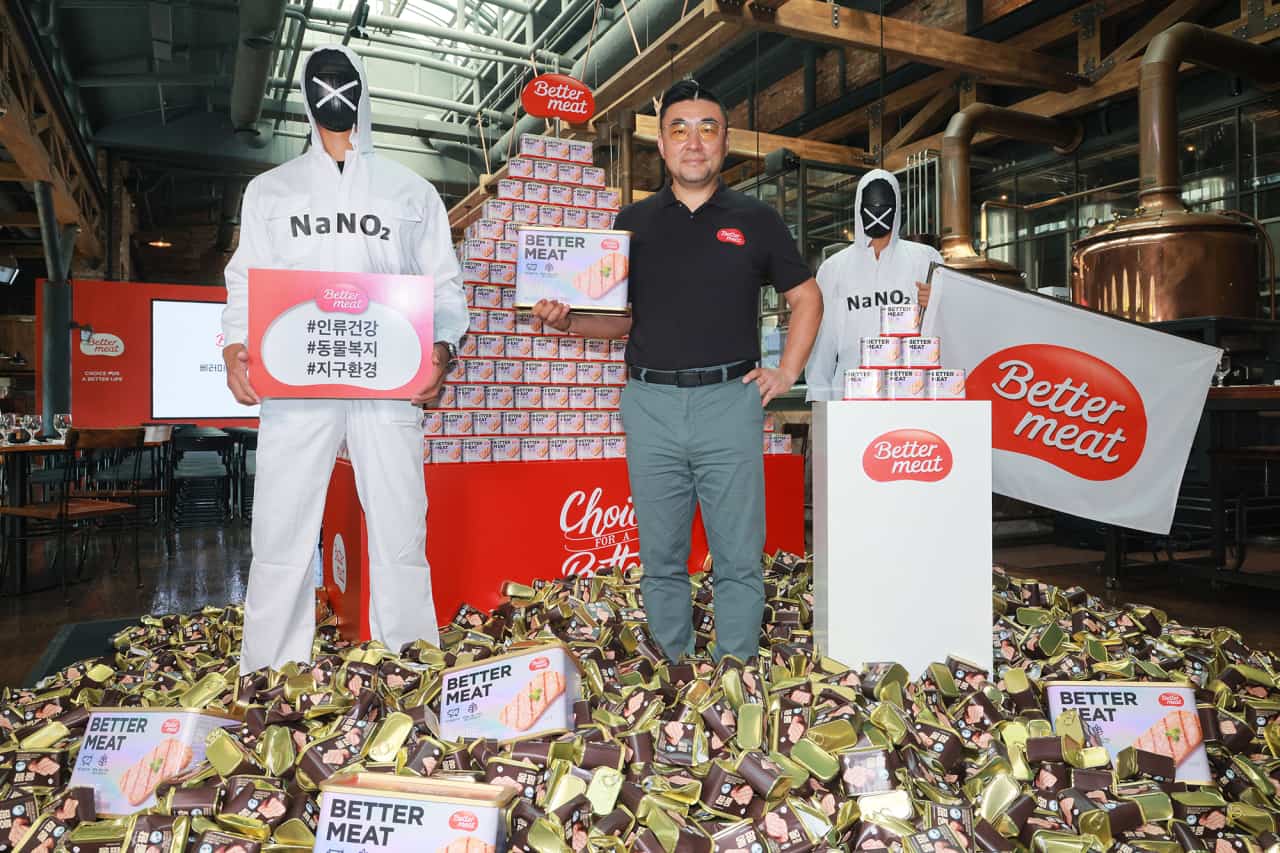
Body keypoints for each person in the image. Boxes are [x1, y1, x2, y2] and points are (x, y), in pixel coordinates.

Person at [533, 80, 822, 664]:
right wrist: (565, 323)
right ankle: (672, 671)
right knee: (661, 555)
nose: (694, 142)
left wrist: (785, 371)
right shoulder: (632, 222)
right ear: (661, 146)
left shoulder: (755, 219)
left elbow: (807, 297)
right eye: (679, 129)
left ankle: (733, 673)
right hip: (651, 405)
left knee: (738, 555)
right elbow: (620, 324)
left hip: (728, 402)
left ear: (726, 143)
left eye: (707, 129)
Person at [221, 45, 468, 674]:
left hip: (386, 379)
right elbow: (246, 278)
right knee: (280, 522)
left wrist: (441, 347)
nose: (334, 95)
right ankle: (270, 672)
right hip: (299, 375)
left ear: (364, 90)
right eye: (321, 85)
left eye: (345, 83)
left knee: (400, 523)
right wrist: (233, 348)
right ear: (305, 95)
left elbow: (443, 285)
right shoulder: (270, 190)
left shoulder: (411, 192)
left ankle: (408, 664)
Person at [805, 168, 942, 401]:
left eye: (884, 204)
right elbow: (822, 337)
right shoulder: (834, 268)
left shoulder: (925, 258)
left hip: (910, 391)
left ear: (897, 206)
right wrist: (819, 392)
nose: (877, 211)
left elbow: (947, 328)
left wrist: (940, 304)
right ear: (859, 206)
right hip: (849, 391)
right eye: (871, 205)